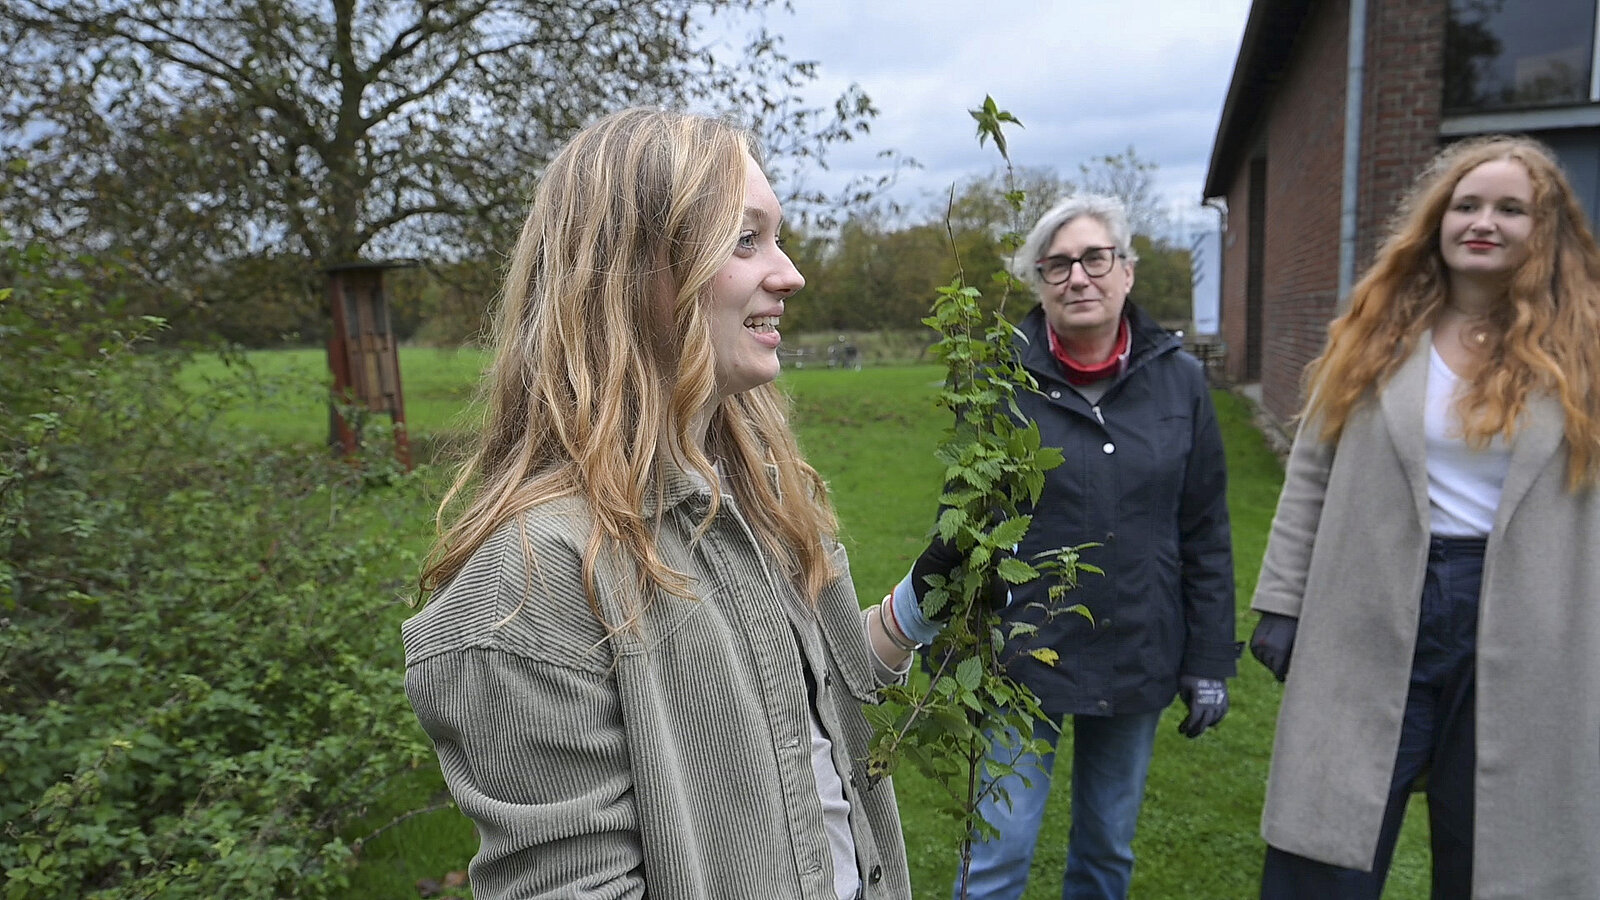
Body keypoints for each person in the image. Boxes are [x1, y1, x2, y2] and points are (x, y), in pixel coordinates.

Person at [401, 108, 930, 899]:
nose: (789, 275)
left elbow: (807, 722)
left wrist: (915, 612)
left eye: (776, 238)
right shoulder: (535, 581)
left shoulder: (759, 488)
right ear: (628, 271)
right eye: (745, 240)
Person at [1248, 135, 1600, 898]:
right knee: (1325, 849)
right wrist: (1281, 599)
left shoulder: (1585, 353)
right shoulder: (1377, 333)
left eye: (1512, 209)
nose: (1485, 221)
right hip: (1373, 602)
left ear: (1545, 232)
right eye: (1467, 205)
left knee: (1496, 853)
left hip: (1526, 621)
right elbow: (1311, 467)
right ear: (1437, 220)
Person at [888, 193, 1238, 900]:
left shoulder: (1182, 383)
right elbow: (964, 522)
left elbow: (1205, 532)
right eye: (1057, 265)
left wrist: (1207, 660)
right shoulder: (999, 381)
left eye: (1094, 259)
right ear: (1040, 283)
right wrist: (947, 637)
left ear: (1127, 272)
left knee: (1107, 852)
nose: (1078, 277)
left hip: (1138, 646)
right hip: (1022, 656)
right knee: (996, 857)